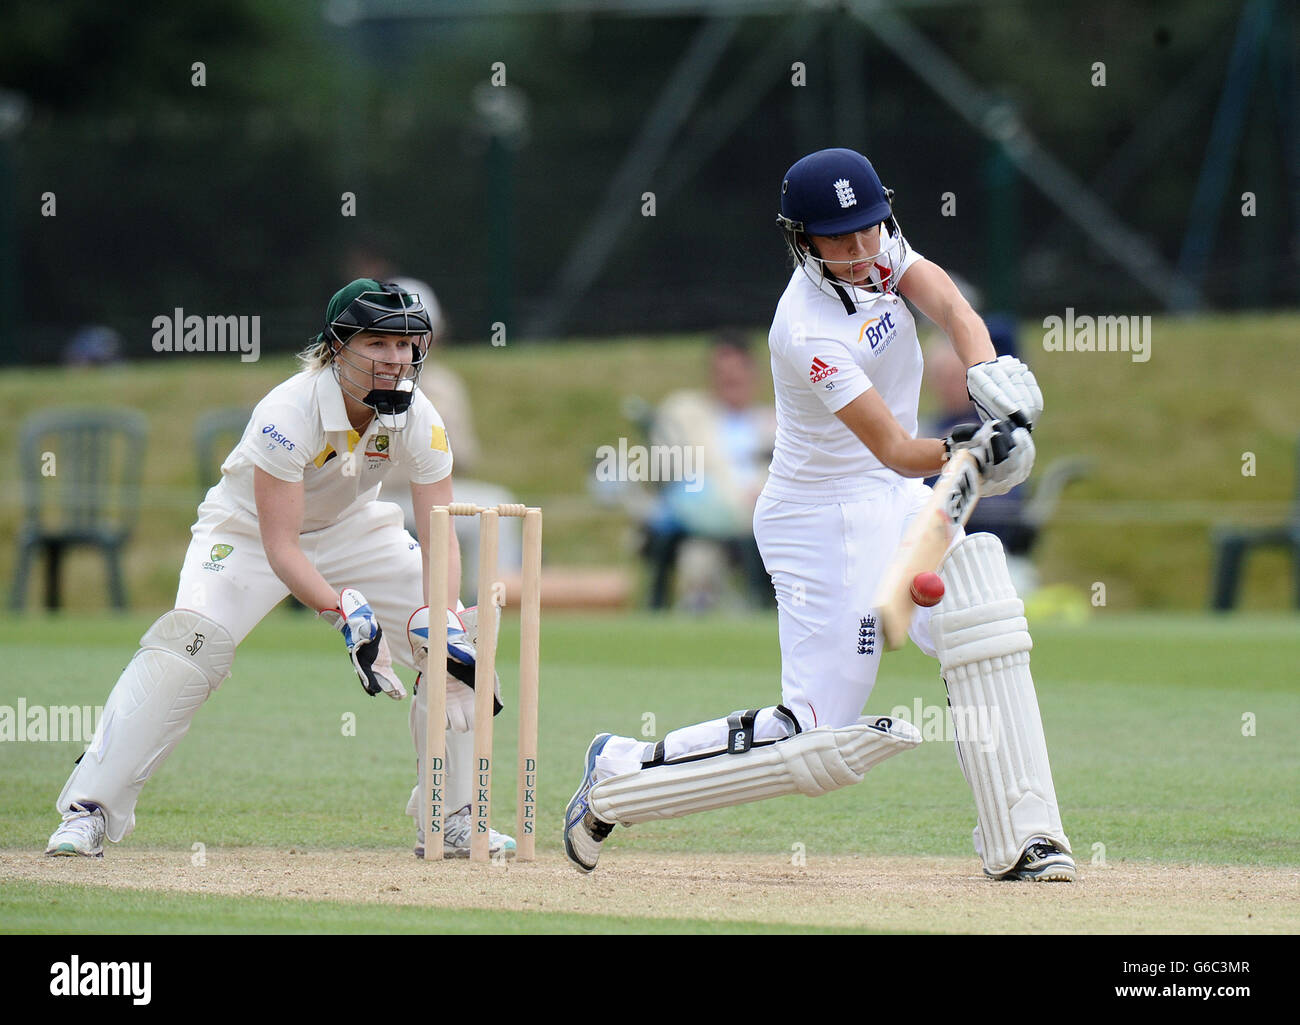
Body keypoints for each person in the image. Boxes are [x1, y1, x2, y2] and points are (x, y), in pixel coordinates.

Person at [563, 148, 1075, 882]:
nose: (864, 251)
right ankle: (621, 770)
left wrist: (987, 377)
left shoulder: (881, 247)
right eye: (841, 239)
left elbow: (956, 309)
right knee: (815, 734)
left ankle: (1025, 836)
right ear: (803, 240)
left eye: (871, 229)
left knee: (980, 618)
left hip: (895, 501)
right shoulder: (804, 330)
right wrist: (974, 447)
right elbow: (898, 448)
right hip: (818, 521)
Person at [45, 279, 515, 860]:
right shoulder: (286, 413)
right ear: (337, 347)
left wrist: (439, 620)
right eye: (378, 343)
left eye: (406, 344)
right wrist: (345, 618)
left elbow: (440, 532)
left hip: (353, 530)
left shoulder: (419, 415)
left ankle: (450, 817)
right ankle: (88, 809)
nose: (396, 359)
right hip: (244, 536)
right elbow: (281, 547)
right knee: (188, 649)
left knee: (455, 651)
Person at [640, 330, 776, 610]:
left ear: (752, 375)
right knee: (697, 554)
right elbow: (668, 466)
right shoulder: (688, 414)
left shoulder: (773, 424)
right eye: (722, 373)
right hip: (709, 510)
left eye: (737, 373)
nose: (729, 380)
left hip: (765, 512)